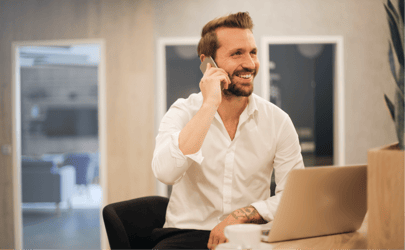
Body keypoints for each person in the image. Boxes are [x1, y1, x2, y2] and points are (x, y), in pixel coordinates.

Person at [152, 12, 304, 250]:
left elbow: (293, 197)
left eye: (252, 52)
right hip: (186, 235)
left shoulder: (278, 121)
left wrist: (241, 215)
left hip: (248, 236)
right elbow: (166, 173)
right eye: (237, 54)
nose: (250, 64)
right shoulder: (183, 111)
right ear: (207, 62)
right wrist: (209, 105)